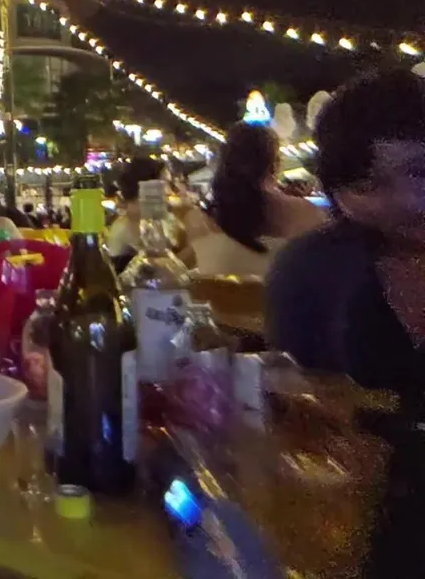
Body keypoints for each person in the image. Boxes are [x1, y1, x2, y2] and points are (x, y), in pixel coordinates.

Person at [266, 68, 425, 576]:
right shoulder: (309, 271)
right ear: (338, 192)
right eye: (371, 185)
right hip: (369, 520)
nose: (410, 202)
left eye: (420, 171)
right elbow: (301, 412)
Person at [184, 122, 325, 277]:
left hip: (218, 292)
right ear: (275, 163)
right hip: (282, 292)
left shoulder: (197, 222)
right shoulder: (308, 214)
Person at [105, 156, 165, 258]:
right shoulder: (134, 222)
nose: (166, 191)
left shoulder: (143, 218)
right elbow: (161, 263)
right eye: (162, 185)